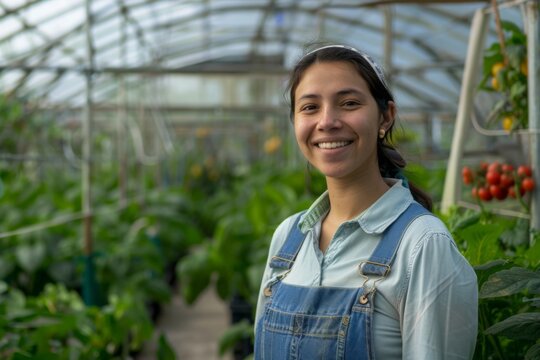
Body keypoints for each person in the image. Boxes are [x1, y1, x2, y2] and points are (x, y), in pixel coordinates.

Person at [254, 44, 478, 359]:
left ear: (386, 117)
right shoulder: (288, 239)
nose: (327, 121)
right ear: (294, 122)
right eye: (309, 107)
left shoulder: (422, 245)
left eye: (349, 103)